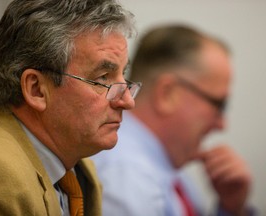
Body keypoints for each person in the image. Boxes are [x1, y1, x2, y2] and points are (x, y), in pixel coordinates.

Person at [0, 0, 141, 215]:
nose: (128, 101)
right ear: (37, 89)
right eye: (103, 79)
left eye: (123, 77)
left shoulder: (80, 171)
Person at [92, 25, 254, 216]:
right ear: (167, 94)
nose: (222, 125)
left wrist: (231, 208)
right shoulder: (127, 176)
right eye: (218, 105)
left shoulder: (166, 167)